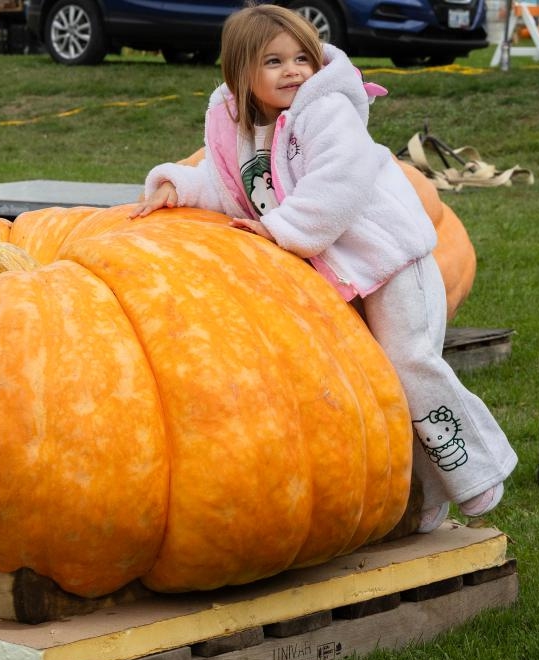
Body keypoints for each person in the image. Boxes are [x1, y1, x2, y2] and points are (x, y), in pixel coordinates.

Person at [131, 4, 517, 533]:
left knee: (409, 365)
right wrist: (181, 185)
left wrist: (282, 230)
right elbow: (230, 188)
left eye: (301, 59)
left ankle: (477, 470)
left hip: (392, 261)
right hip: (340, 274)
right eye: (273, 61)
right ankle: (424, 496)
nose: (292, 71)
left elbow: (339, 185)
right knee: (376, 386)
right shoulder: (239, 127)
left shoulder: (325, 112)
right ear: (240, 73)